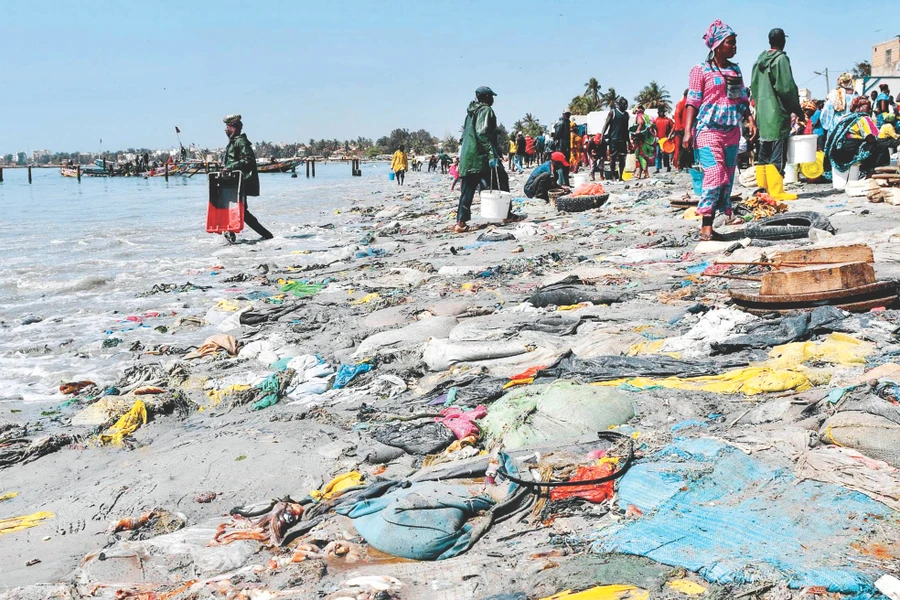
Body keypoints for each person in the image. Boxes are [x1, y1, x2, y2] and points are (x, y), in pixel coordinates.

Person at [684, 20, 757, 241]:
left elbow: (741, 99)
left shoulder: (735, 70)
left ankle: (713, 222)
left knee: (725, 179)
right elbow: (692, 101)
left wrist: (750, 120)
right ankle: (705, 225)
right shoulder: (700, 70)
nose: (734, 47)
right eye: (730, 43)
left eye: (735, 43)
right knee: (714, 174)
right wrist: (687, 131)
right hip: (708, 131)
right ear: (717, 45)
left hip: (731, 133)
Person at [455, 86, 524, 233]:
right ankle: (507, 214)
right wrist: (492, 155)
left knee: (467, 190)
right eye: (491, 96)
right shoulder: (486, 110)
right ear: (486, 97)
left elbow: (465, 136)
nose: (493, 99)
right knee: (502, 179)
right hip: (481, 157)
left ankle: (460, 222)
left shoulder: (470, 113)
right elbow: (482, 133)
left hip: (468, 158)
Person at [750, 27, 804, 201]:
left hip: (762, 113)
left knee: (763, 153)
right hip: (777, 113)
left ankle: (763, 190)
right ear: (783, 41)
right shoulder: (780, 59)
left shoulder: (758, 61)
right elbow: (786, 88)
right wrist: (797, 109)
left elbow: (754, 88)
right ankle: (776, 191)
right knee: (777, 152)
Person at [221, 114, 273, 242]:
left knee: (240, 211)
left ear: (233, 128)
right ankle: (231, 233)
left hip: (241, 181)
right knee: (238, 210)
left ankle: (266, 235)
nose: (225, 130)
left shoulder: (240, 141)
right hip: (235, 181)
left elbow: (248, 160)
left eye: (227, 127)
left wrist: (230, 167)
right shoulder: (234, 142)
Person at [602, 97, 630, 180]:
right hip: (613, 139)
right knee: (613, 158)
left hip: (622, 139)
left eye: (626, 104)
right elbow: (606, 125)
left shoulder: (626, 115)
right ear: (620, 104)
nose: (625, 106)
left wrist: (629, 141)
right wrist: (602, 135)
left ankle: (621, 176)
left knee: (622, 159)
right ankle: (613, 175)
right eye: (624, 104)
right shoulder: (613, 112)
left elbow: (626, 129)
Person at [630, 105, 654, 179]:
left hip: (641, 139)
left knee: (641, 156)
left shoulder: (639, 116)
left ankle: (646, 173)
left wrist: (638, 130)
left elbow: (640, 123)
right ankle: (639, 173)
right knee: (642, 156)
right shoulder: (646, 116)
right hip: (647, 139)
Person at [673, 89, 691, 169]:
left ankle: (687, 164)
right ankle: (680, 165)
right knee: (681, 148)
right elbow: (677, 116)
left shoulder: (686, 104)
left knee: (686, 148)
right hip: (682, 129)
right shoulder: (681, 104)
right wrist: (679, 128)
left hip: (685, 128)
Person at [552, 111, 571, 185]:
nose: (568, 116)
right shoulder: (561, 123)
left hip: (566, 146)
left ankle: (565, 182)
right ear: (563, 114)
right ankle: (561, 182)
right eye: (566, 114)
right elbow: (556, 136)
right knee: (560, 164)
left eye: (569, 114)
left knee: (566, 164)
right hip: (561, 146)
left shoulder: (567, 123)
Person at [653, 107, 674, 172]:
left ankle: (668, 167)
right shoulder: (656, 120)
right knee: (657, 154)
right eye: (659, 112)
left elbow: (673, 127)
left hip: (666, 140)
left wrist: (670, 135)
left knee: (666, 155)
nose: (660, 113)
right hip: (658, 140)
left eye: (661, 112)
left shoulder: (668, 120)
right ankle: (657, 168)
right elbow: (653, 129)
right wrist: (655, 136)